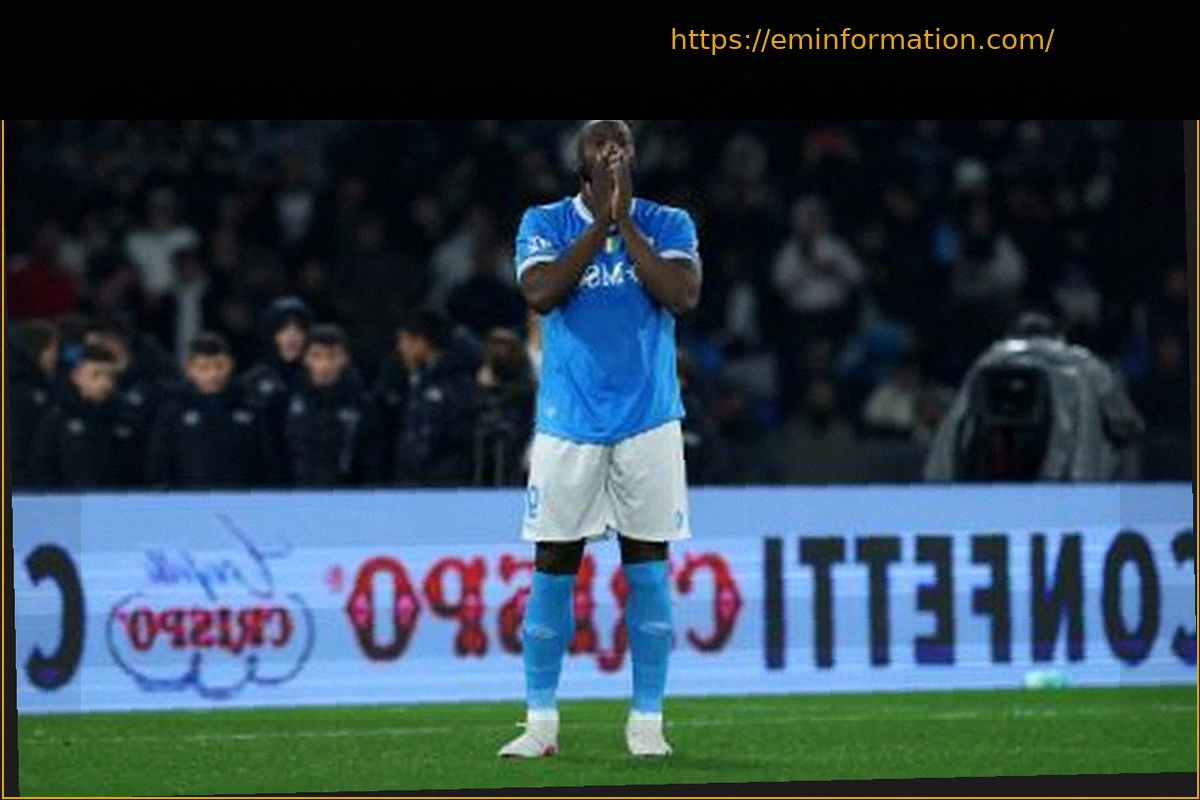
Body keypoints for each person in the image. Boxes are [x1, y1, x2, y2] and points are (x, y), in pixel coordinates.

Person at [497, 120, 700, 759]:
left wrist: (626, 223)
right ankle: (540, 724)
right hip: (569, 424)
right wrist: (599, 226)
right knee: (553, 566)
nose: (611, 151)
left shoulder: (668, 222)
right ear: (578, 160)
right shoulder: (545, 221)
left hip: (649, 421)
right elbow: (541, 293)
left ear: (635, 156)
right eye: (599, 144)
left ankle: (647, 723)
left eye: (621, 143)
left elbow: (681, 296)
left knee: (648, 568)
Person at [924, 311, 1145, 482]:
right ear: (1059, 337)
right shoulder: (1088, 365)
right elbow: (1127, 423)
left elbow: (954, 429)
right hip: (1074, 481)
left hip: (994, 481)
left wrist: (938, 489)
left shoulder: (987, 362)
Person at [145, 333, 276, 489]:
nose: (213, 374)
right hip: (187, 500)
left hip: (238, 500)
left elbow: (266, 466)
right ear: (190, 370)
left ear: (230, 367)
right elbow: (159, 466)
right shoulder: (173, 413)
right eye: (204, 368)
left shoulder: (250, 411)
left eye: (219, 366)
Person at [28, 343, 144, 489]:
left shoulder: (124, 420)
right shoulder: (56, 420)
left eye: (111, 376)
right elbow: (42, 468)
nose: (105, 383)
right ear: (76, 377)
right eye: (96, 375)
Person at [284, 324, 383, 487]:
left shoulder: (364, 406)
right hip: (295, 495)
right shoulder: (287, 400)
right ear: (305, 358)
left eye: (332, 356)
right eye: (317, 356)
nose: (324, 365)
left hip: (349, 495)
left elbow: (373, 464)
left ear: (346, 359)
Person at [391, 307, 479, 487]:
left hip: (444, 485)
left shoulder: (457, 383)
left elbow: (460, 437)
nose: (400, 348)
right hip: (409, 483)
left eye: (404, 340)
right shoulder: (413, 379)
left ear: (421, 341)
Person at [239, 296, 313, 484]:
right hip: (265, 482)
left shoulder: (320, 380)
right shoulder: (253, 381)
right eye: (284, 330)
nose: (291, 337)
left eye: (298, 330)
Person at [472, 327, 536, 486]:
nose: (499, 351)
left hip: (518, 443)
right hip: (482, 446)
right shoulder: (476, 377)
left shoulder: (525, 382)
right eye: (495, 345)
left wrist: (497, 387)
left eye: (504, 345)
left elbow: (526, 409)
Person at [9, 320, 60, 488]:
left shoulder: (40, 385)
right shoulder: (18, 390)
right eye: (51, 348)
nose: (55, 356)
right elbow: (18, 445)